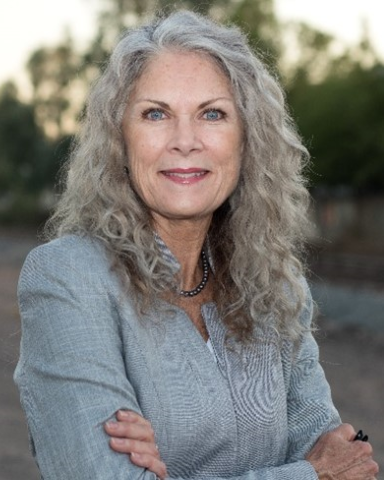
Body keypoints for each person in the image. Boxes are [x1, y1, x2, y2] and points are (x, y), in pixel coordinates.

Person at [14, 10, 378, 480]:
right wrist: (307, 474)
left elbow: (343, 457)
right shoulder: (68, 279)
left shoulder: (278, 289)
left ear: (248, 141)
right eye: (155, 113)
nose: (185, 141)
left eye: (212, 113)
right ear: (119, 141)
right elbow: (329, 469)